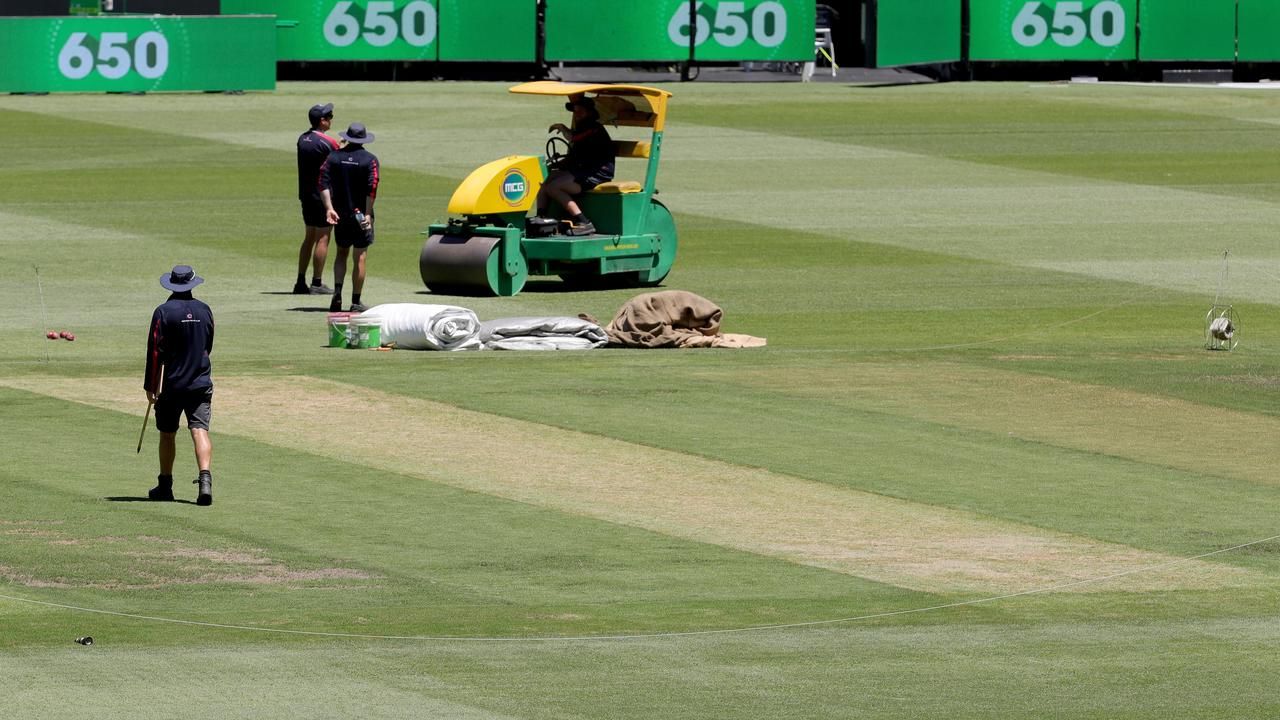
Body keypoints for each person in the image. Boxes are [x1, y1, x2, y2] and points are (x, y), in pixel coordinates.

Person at [144, 265, 215, 506]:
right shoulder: (205, 310)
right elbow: (209, 345)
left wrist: (151, 384)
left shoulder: (163, 312)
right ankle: (205, 482)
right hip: (200, 382)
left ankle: (166, 485)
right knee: (199, 430)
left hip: (172, 385)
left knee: (167, 434)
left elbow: (155, 351)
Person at [534, 95, 615, 236]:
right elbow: (575, 156)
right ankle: (541, 218)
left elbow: (573, 138)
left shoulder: (593, 127)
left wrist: (563, 128)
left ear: (590, 113)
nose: (576, 115)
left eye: (580, 112)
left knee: (554, 187)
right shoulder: (583, 128)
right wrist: (555, 165)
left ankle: (584, 222)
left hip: (598, 173)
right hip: (584, 170)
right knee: (547, 179)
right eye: (575, 112)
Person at [321, 122, 380, 313]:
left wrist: (329, 208)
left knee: (341, 254)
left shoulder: (334, 156)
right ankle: (356, 301)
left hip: (341, 213)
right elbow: (372, 188)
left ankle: (337, 293)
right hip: (361, 215)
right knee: (360, 257)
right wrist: (369, 214)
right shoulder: (370, 159)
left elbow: (322, 182)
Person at [295, 103, 339, 295]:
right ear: (322, 121)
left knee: (308, 238)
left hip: (306, 194)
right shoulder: (328, 142)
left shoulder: (302, 139)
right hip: (323, 195)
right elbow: (337, 160)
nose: (331, 119)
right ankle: (317, 282)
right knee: (323, 238)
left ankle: (300, 281)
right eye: (329, 116)